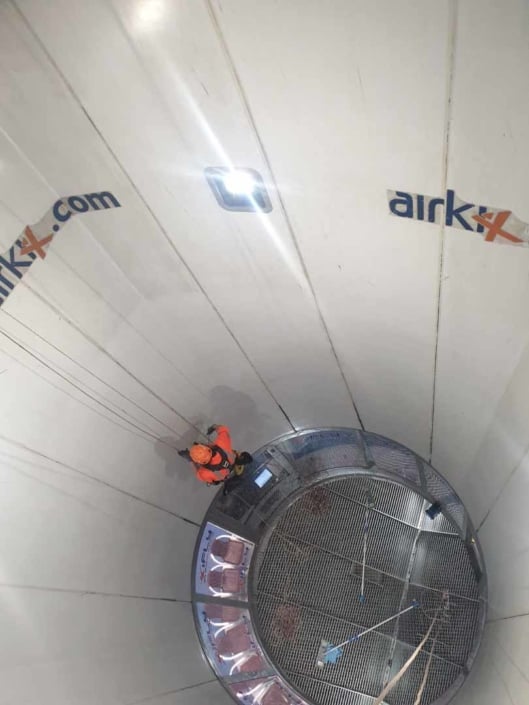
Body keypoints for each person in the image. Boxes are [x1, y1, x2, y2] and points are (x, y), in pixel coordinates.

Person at [178, 424, 252, 492]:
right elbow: (223, 430)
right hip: (222, 472)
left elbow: (223, 429)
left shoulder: (223, 446)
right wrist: (190, 459)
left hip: (221, 473)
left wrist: (213, 427)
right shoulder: (224, 446)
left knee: (217, 448)